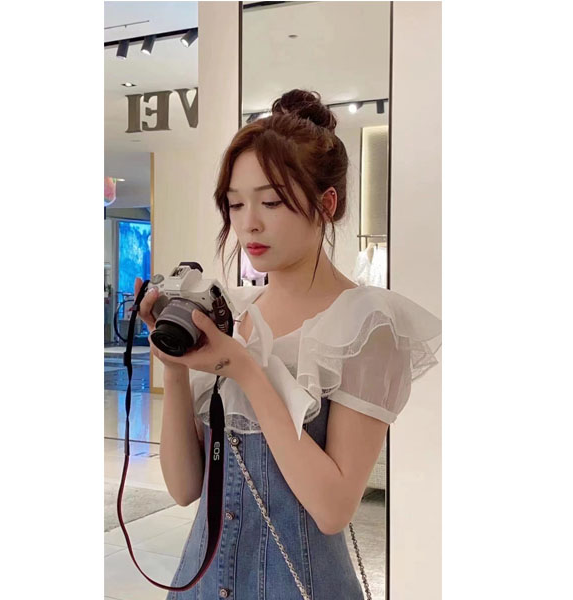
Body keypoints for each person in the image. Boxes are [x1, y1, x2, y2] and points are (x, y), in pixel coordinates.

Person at [134, 89, 442, 600]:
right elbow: (185, 489)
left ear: (327, 204)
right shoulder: (232, 311)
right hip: (198, 586)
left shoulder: (365, 325)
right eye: (235, 203)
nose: (248, 222)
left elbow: (333, 509)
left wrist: (245, 370)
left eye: (271, 202)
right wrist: (176, 367)